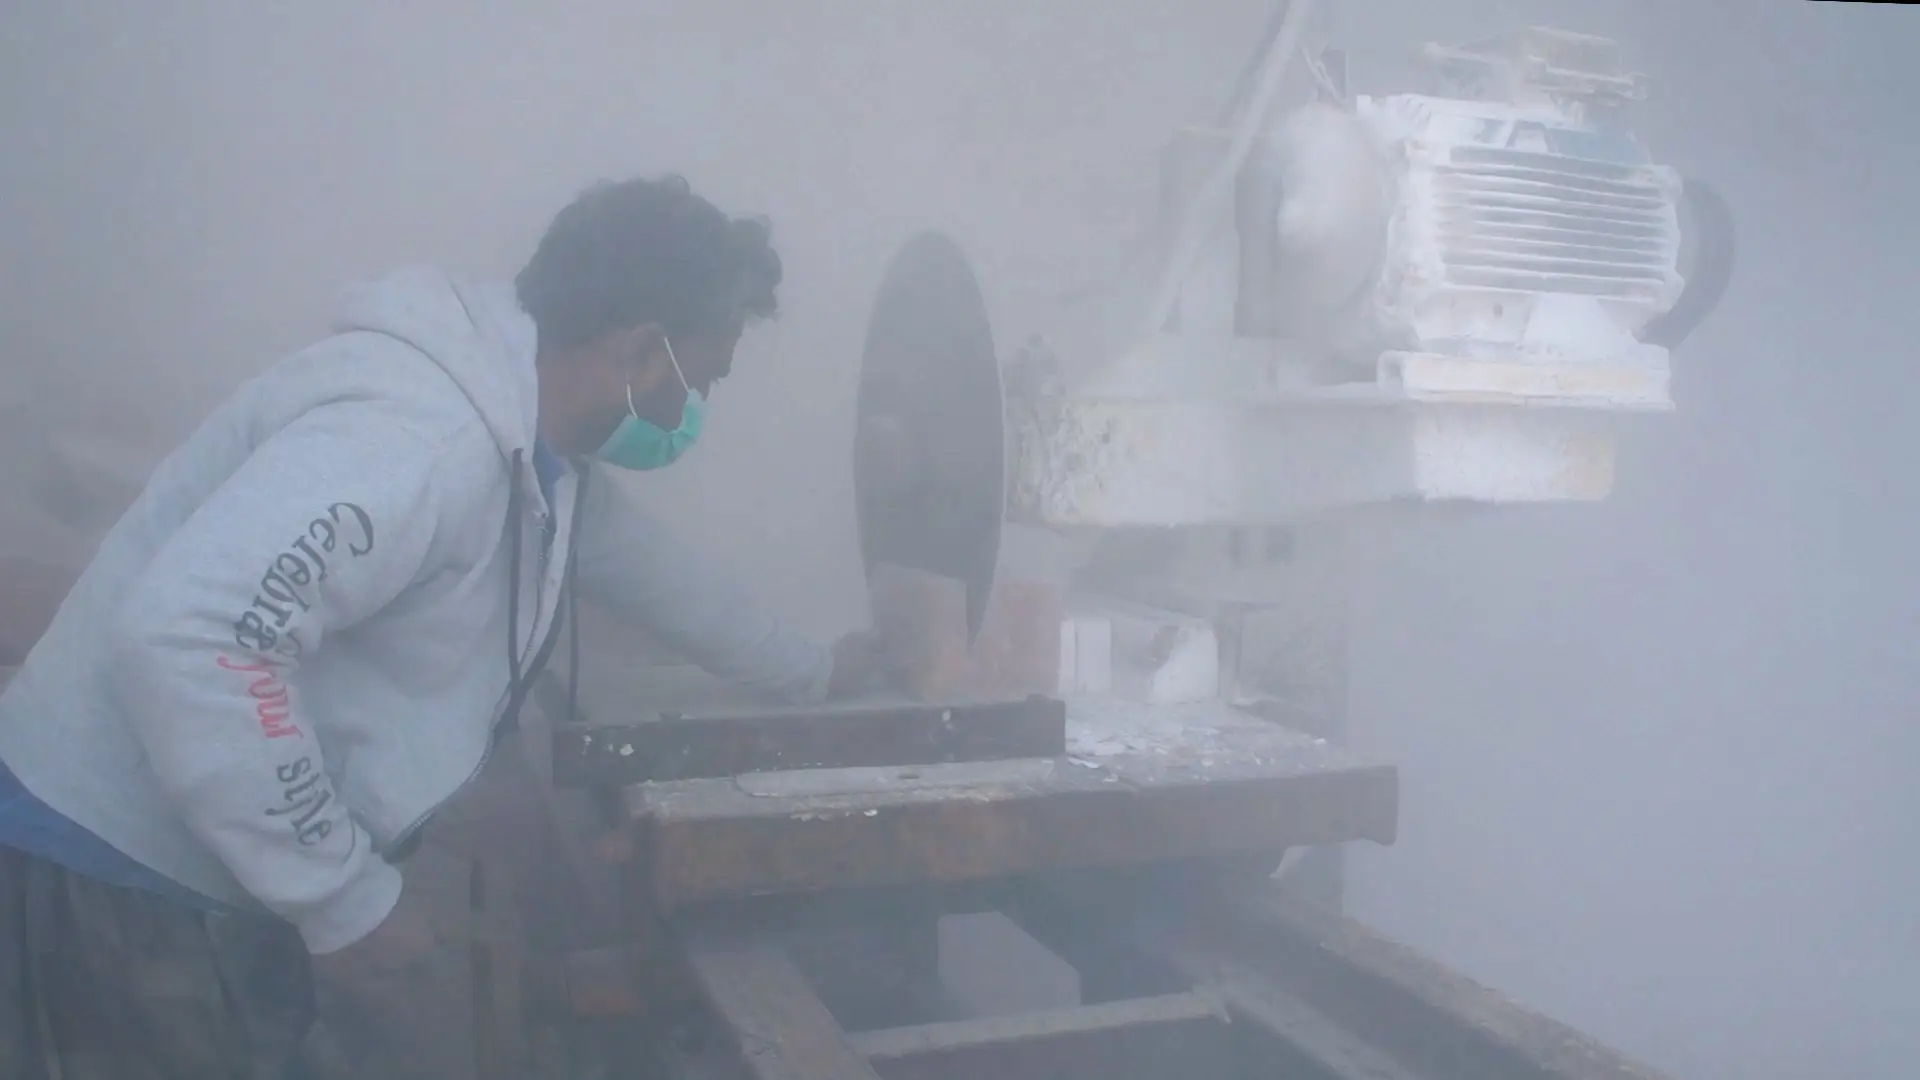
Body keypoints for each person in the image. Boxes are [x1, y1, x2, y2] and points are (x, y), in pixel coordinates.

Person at [0, 175, 888, 1078]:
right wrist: (339, 896)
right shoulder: (421, 439)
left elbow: (667, 581)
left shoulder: (533, 451)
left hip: (203, 865)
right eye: (700, 379)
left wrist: (813, 673)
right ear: (641, 352)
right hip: (122, 880)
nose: (691, 413)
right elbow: (197, 638)